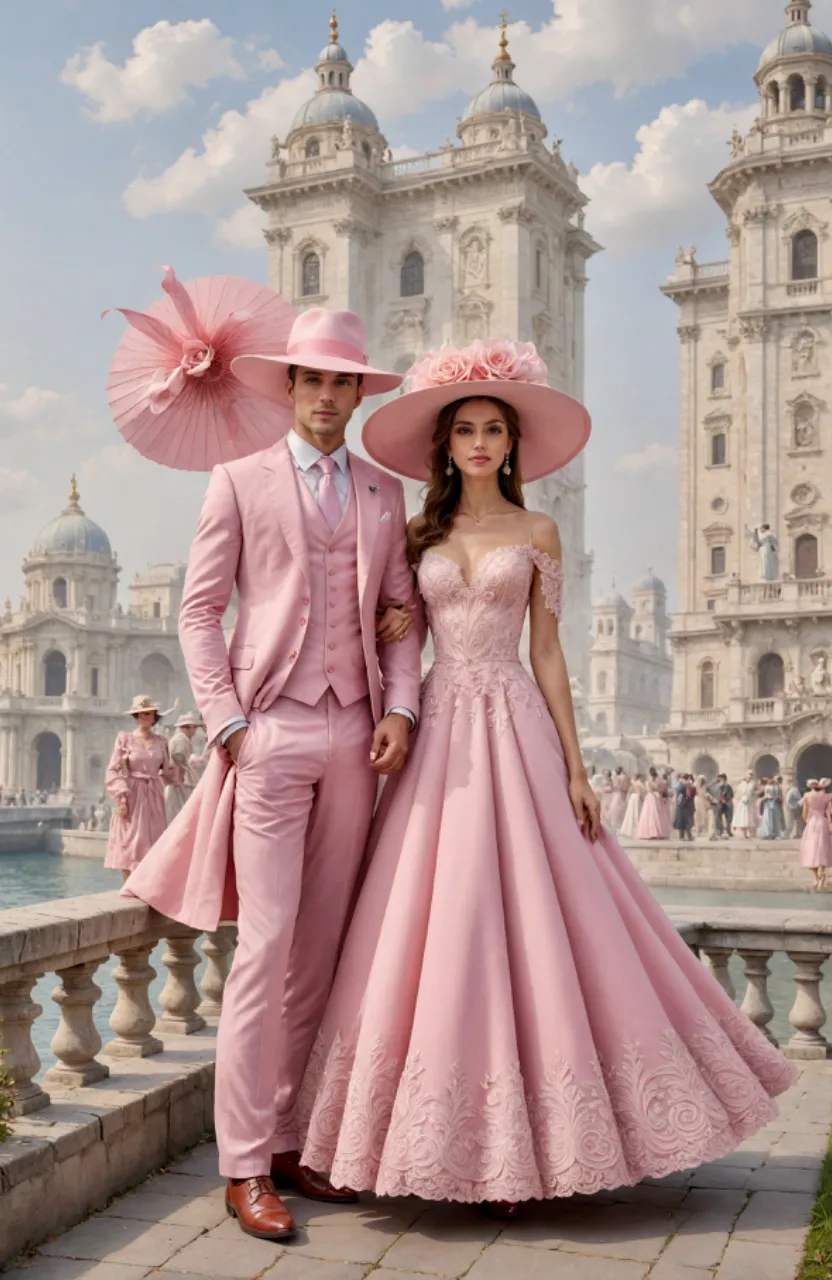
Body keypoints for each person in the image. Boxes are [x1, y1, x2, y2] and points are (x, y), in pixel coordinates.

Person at [297, 338, 795, 1214]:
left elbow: (550, 655)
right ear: (445, 447)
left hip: (517, 727)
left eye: (495, 430)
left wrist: (576, 766)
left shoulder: (537, 531)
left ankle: (561, 1136)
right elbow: (399, 643)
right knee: (437, 916)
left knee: (539, 912)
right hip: (440, 731)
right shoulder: (420, 534)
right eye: (467, 431)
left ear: (512, 446)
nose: (481, 443)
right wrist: (388, 668)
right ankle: (432, 1136)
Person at [123, 308, 423, 1243]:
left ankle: (294, 1140)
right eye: (315, 381)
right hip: (272, 734)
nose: (330, 396)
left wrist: (402, 710)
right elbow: (200, 610)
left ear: (359, 394)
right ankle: (245, 1164)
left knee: (322, 953)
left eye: (345, 383)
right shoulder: (239, 480)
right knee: (265, 948)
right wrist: (230, 727)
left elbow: (402, 615)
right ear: (288, 388)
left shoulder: (382, 491)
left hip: (356, 741)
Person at [104, 695, 178, 879]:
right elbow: (113, 770)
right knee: (129, 840)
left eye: (151, 714)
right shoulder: (125, 739)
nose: (148, 718)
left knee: (154, 838)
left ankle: (147, 885)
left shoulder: (162, 742)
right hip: (132, 794)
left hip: (154, 793)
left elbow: (168, 771)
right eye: (144, 714)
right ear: (136, 716)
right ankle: (128, 884)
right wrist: (121, 798)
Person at [165, 712, 205, 823]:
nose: (195, 731)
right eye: (194, 727)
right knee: (180, 811)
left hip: (182, 780)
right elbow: (178, 757)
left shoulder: (181, 738)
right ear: (187, 727)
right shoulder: (180, 739)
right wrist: (182, 772)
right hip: (181, 781)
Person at [801, 779, 832, 891]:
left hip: (812, 823)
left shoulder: (807, 796)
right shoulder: (827, 797)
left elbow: (804, 813)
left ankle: (816, 877)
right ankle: (822, 872)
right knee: (822, 848)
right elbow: (830, 811)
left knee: (811, 849)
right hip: (823, 823)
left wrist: (808, 820)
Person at [635, 766, 666, 839]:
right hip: (657, 796)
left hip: (650, 797)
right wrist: (657, 792)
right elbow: (661, 789)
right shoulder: (659, 780)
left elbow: (648, 790)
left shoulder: (648, 781)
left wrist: (653, 792)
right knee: (657, 814)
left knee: (649, 815)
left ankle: (649, 832)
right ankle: (658, 832)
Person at [618, 773, 644, 838]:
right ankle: (637, 829)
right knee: (636, 812)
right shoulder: (639, 783)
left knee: (630, 813)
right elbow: (642, 791)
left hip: (632, 797)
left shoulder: (632, 783)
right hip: (637, 797)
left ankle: (629, 828)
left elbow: (630, 791)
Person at [709, 774, 734, 839]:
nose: (719, 781)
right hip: (720, 805)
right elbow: (709, 788)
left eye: (721, 779)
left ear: (724, 779)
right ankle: (720, 831)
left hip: (727, 804)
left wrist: (724, 799)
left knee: (728, 819)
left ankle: (728, 831)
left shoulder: (727, 786)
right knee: (718, 818)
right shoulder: (718, 786)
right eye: (719, 779)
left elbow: (729, 795)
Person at [672, 772, 696, 841]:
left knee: (684, 821)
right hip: (688, 805)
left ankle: (686, 836)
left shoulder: (685, 786)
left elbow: (685, 796)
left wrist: (680, 804)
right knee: (684, 821)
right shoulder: (690, 785)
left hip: (684, 805)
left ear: (682, 778)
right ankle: (684, 836)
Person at [733, 772, 757, 838]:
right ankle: (743, 832)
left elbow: (753, 792)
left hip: (749, 802)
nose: (749, 779)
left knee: (749, 816)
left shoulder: (752, 784)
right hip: (742, 802)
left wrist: (751, 797)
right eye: (748, 777)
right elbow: (738, 793)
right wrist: (742, 798)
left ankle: (748, 832)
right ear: (745, 778)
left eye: (750, 778)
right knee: (742, 816)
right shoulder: (742, 784)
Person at [608, 766, 630, 831]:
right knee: (623, 808)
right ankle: (622, 824)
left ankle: (614, 824)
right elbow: (627, 787)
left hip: (618, 794)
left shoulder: (617, 777)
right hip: (624, 794)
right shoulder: (626, 777)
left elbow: (615, 787)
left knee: (615, 809)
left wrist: (611, 783)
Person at [694, 774, 711, 839]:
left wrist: (707, 796)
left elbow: (706, 793)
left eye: (700, 780)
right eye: (698, 780)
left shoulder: (705, 787)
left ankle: (704, 829)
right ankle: (698, 830)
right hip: (697, 801)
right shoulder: (695, 787)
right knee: (697, 815)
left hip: (703, 802)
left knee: (704, 815)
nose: (699, 781)